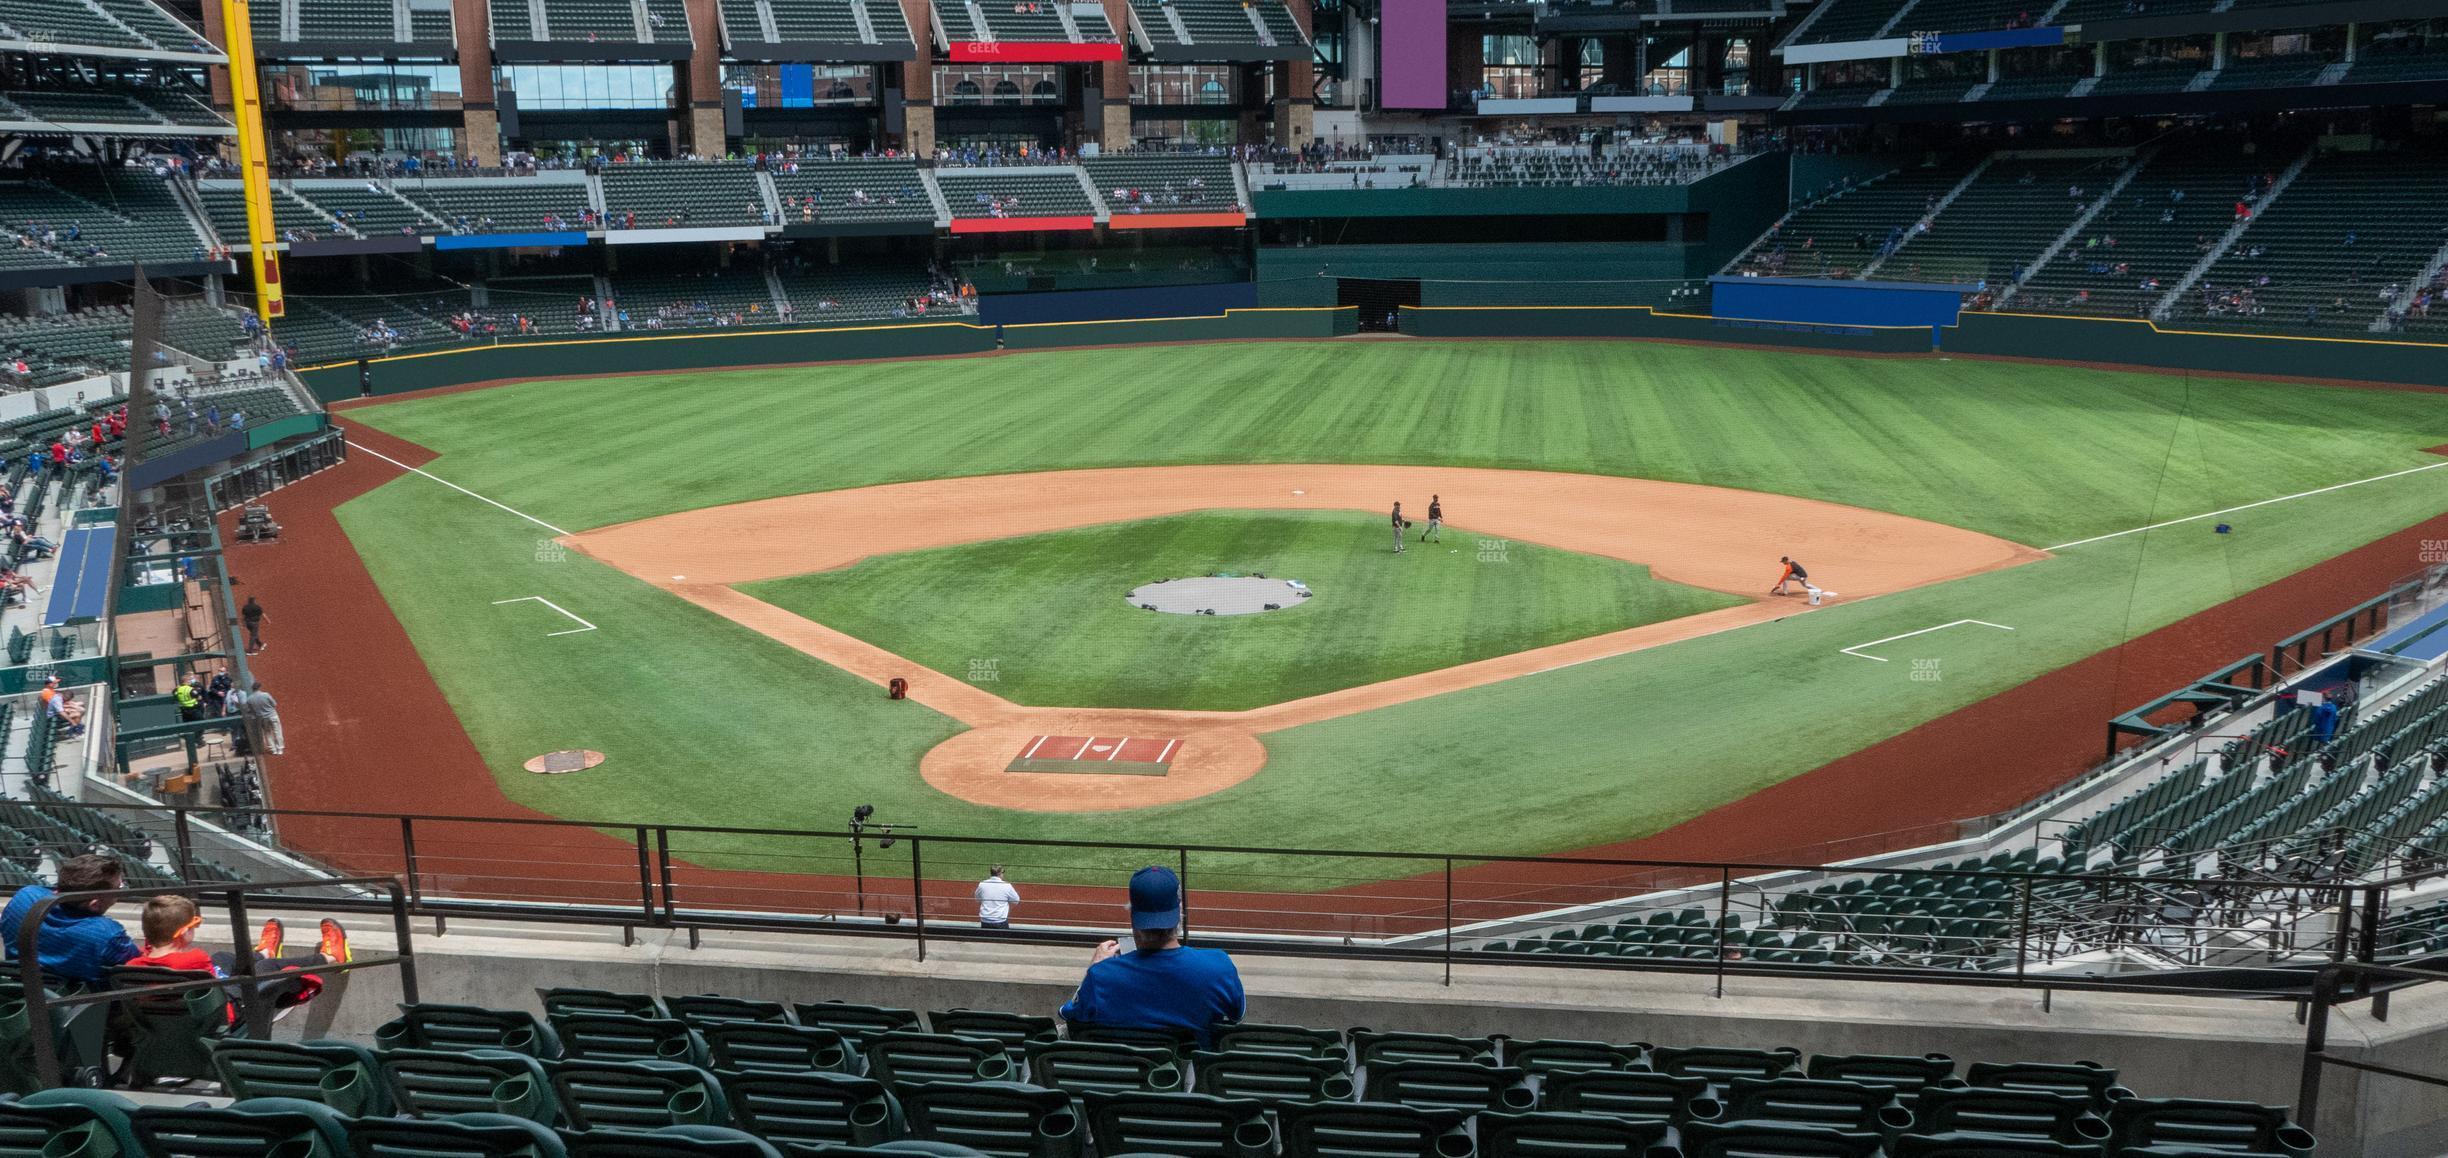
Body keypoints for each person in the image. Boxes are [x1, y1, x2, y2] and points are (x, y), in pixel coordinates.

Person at [1057, 866, 1243, 1048]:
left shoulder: (1101, 975)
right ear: (1179, 913)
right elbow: (1237, 1014)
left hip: (1126, 1075)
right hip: (1191, 1076)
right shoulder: (1219, 966)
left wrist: (1095, 968)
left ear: (1132, 915)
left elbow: (1069, 1014)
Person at [134, 895, 347, 1018]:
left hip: (171, 1023)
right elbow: (217, 989)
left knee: (222, 957)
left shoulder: (134, 965)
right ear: (183, 933)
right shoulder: (195, 960)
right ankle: (330, 959)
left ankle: (261, 952)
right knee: (266, 967)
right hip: (223, 1012)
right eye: (195, 924)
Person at [0, 854, 139, 984]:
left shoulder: (24, 898)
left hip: (19, 992)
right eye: (119, 888)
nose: (121, 891)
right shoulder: (106, 934)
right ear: (95, 904)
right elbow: (139, 965)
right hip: (80, 1005)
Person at [242, 680, 285, 756]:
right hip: (272, 716)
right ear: (259, 687)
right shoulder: (266, 695)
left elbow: (249, 711)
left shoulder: (249, 699)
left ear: (252, 689)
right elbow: (274, 704)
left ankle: (273, 750)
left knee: (267, 733)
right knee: (277, 731)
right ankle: (280, 749)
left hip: (262, 718)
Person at [974, 866, 1020, 930]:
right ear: (999, 874)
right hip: (1000, 921)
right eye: (1003, 872)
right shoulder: (1007, 886)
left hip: (985, 921)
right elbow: (1016, 901)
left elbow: (977, 899)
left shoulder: (982, 884)